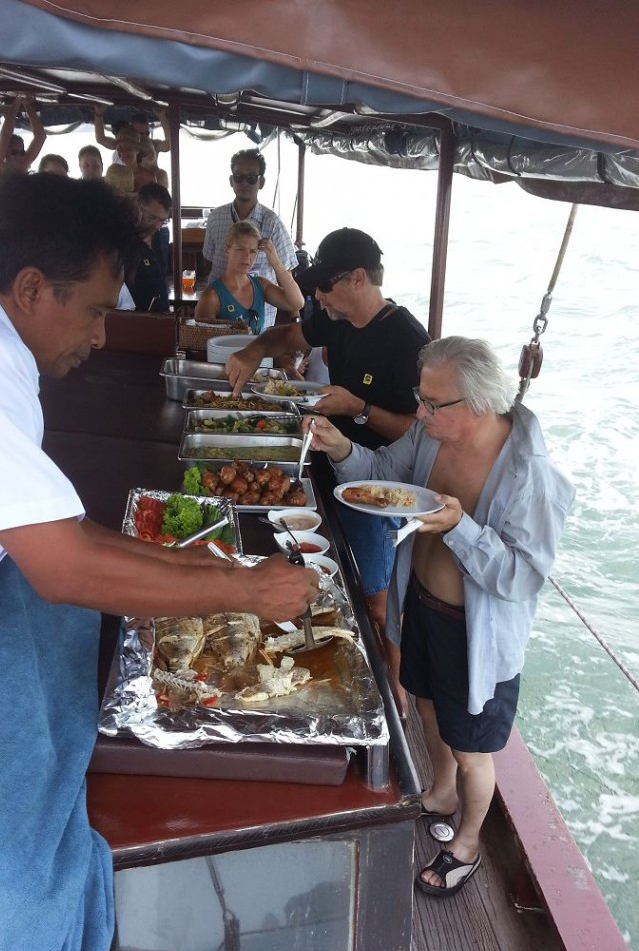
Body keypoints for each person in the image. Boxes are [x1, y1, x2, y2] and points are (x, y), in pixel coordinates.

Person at [0, 173, 318, 951]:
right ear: (31, 289)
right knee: (10, 885)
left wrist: (200, 572)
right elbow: (64, 565)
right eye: (94, 311)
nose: (104, 334)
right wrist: (242, 588)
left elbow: (62, 532)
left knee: (58, 829)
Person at [307, 335, 575, 895]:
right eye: (420, 398)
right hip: (421, 604)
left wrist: (460, 528)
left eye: (432, 403)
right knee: (426, 705)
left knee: (473, 749)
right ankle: (441, 792)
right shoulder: (430, 436)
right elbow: (381, 472)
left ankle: (468, 844)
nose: (420, 412)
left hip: (475, 634)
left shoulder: (532, 476)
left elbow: (522, 577)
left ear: (476, 403)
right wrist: (340, 448)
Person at [226, 228, 429, 719]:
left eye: (325, 286)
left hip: (375, 489)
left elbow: (422, 433)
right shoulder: (336, 319)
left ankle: (397, 697)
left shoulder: (408, 340)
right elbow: (285, 335)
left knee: (378, 600)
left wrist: (360, 408)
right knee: (324, 576)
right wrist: (252, 350)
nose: (317, 296)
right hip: (327, 464)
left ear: (358, 278)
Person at [203, 148, 297, 329]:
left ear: (261, 182)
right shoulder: (215, 218)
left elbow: (286, 273)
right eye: (238, 177)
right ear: (231, 181)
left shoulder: (273, 223)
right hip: (218, 311)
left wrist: (295, 318)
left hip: (259, 318)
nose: (244, 183)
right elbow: (207, 261)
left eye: (251, 178)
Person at [194, 220, 304, 333]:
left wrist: (276, 263)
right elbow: (202, 340)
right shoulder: (212, 297)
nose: (247, 257)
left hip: (260, 345)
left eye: (252, 251)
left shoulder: (261, 285)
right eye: (240, 249)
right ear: (227, 250)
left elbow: (297, 303)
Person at [130, 181, 173, 312]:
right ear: (138, 208)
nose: (157, 227)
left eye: (162, 220)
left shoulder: (158, 238)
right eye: (152, 218)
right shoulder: (122, 243)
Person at [0, 95, 46, 180]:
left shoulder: (21, 164)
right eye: (14, 152)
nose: (19, 156)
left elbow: (40, 137)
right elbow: (5, 137)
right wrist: (19, 102)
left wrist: (25, 104)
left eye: (22, 153)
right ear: (5, 153)